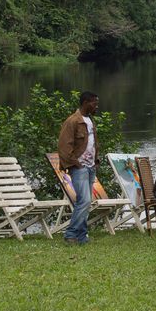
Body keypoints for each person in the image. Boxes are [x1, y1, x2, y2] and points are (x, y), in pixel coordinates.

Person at [57, 91, 100, 246]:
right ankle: (70, 233)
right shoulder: (73, 121)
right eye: (94, 103)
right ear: (86, 103)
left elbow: (92, 144)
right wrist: (76, 163)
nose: (97, 106)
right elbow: (63, 146)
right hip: (79, 167)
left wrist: (95, 161)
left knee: (86, 202)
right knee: (85, 201)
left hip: (90, 167)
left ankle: (82, 236)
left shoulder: (90, 120)